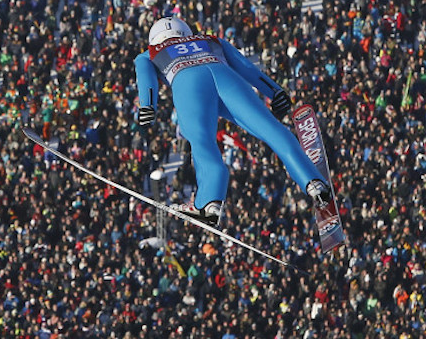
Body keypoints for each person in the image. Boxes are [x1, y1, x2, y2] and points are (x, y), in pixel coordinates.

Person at [134, 16, 330, 227]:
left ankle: (210, 202)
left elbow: (145, 74)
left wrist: (148, 105)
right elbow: (246, 67)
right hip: (225, 76)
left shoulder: (151, 52)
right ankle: (313, 181)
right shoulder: (210, 40)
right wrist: (274, 91)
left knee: (202, 142)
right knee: (271, 128)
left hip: (187, 80)